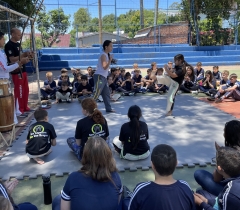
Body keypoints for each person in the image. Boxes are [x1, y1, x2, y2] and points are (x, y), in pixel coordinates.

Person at [52, 136, 122, 210]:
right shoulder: (116, 177)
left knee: (57, 200)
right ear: (108, 155)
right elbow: (118, 202)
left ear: (85, 155)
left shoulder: (73, 178)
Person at [128, 144, 195, 210]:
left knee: (126, 201)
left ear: (152, 165)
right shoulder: (185, 187)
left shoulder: (141, 189)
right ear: (176, 164)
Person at [194, 120, 240, 196]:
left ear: (228, 135)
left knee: (199, 174)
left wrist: (219, 154)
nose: (223, 134)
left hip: (232, 192)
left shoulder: (228, 154)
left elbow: (216, 178)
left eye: (224, 131)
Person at [194, 145, 240, 210]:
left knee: (197, 197)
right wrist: (207, 201)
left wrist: (201, 204)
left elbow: (216, 179)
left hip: (228, 201)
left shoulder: (230, 193)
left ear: (219, 168)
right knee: (200, 192)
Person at [0, 31, 29, 125]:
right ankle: (11, 119)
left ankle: (16, 115)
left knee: (13, 96)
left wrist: (24, 60)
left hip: (5, 79)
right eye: (2, 38)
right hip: (3, 80)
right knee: (10, 97)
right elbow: (5, 68)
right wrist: (19, 63)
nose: (4, 40)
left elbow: (7, 64)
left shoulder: (1, 52)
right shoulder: (8, 46)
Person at [4, 28, 32, 114]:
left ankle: (25, 106)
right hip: (16, 71)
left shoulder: (18, 44)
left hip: (23, 70)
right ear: (13, 34)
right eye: (19, 35)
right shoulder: (9, 45)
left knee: (25, 89)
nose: (20, 36)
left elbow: (21, 57)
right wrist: (23, 54)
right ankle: (19, 109)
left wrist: (28, 57)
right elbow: (12, 59)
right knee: (19, 90)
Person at [93, 40, 115, 112]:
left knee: (106, 94)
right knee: (96, 93)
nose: (112, 47)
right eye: (111, 46)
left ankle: (108, 109)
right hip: (100, 77)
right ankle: (89, 109)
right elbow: (104, 67)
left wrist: (110, 60)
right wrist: (110, 60)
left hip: (104, 77)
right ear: (106, 47)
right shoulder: (103, 55)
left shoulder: (106, 55)